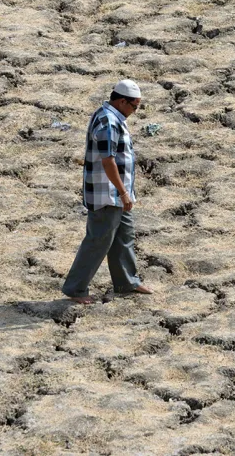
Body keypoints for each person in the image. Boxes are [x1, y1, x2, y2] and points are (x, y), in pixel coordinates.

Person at [61, 79, 154, 304]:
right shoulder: (108, 122)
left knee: (124, 236)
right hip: (108, 194)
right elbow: (108, 161)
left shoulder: (113, 117)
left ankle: (126, 282)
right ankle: (76, 288)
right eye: (135, 106)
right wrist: (122, 192)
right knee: (98, 240)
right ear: (123, 101)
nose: (135, 111)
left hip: (118, 194)